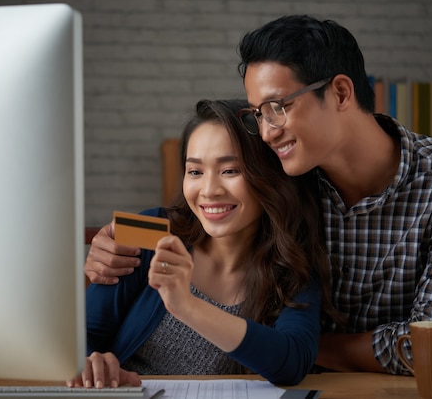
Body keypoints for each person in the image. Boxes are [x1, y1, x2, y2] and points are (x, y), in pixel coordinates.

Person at [84, 16, 432, 375]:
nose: (266, 132)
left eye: (278, 107)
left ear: (340, 92)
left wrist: (289, 349)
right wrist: (106, 241)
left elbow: (430, 348)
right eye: (258, 114)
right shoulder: (282, 171)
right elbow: (165, 220)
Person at [71, 99, 339, 388]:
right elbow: (84, 336)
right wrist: (90, 363)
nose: (209, 191)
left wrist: (187, 306)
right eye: (195, 172)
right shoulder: (149, 229)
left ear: (269, 177)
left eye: (230, 170)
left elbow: (293, 361)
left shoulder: (291, 266)